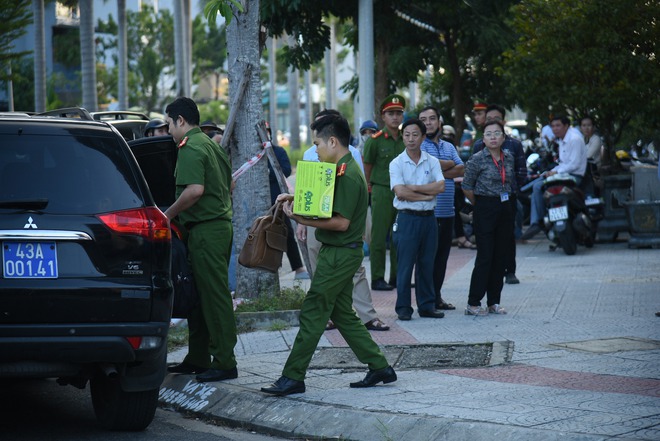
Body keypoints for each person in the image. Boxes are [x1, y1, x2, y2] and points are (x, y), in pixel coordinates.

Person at [262, 113, 396, 396]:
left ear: (333, 141)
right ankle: (380, 366)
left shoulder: (348, 174)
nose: (316, 151)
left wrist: (300, 218)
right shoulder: (340, 168)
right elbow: (323, 203)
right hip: (338, 253)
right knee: (343, 314)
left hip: (339, 253)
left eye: (318, 144)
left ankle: (293, 377)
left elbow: (341, 222)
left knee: (313, 311)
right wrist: (293, 198)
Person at [163, 97, 237, 383]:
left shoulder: (190, 147)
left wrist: (166, 215)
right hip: (211, 228)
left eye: (169, 124)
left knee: (215, 297)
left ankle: (225, 361)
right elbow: (229, 183)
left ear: (181, 120)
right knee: (199, 297)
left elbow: (194, 190)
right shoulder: (209, 144)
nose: (168, 131)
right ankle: (198, 357)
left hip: (207, 230)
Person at [300, 109, 389, 332]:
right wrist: (301, 221)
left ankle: (367, 315)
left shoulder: (351, 154)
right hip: (316, 219)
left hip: (344, 219)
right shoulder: (310, 153)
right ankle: (328, 315)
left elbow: (356, 186)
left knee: (356, 268)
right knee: (318, 265)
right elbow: (306, 191)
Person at [389, 118, 446, 321]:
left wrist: (414, 188)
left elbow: (440, 187)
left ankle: (426, 306)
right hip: (407, 219)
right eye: (407, 135)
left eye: (415, 135)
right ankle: (403, 307)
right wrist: (426, 195)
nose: (411, 139)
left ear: (423, 137)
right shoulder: (396, 163)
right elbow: (401, 193)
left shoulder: (432, 161)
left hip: (429, 220)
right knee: (405, 265)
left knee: (426, 264)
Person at [462, 120, 516, 316]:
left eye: (497, 133)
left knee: (501, 256)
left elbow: (510, 182)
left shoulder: (508, 157)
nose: (493, 137)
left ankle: (494, 301)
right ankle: (473, 302)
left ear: (503, 137)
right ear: (483, 139)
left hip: (505, 206)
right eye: (488, 134)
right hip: (484, 207)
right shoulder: (477, 159)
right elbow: (466, 186)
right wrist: (480, 204)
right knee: (485, 256)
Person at [472, 104, 527, 285]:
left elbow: (521, 173)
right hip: (486, 201)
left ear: (503, 122)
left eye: (496, 120)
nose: (492, 124)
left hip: (507, 198)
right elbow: (470, 178)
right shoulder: (479, 146)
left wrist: (513, 194)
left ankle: (510, 271)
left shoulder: (514, 145)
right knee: (486, 242)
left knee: (507, 237)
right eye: (489, 120)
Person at [419, 106, 463, 310]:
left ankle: (436, 297)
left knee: (442, 258)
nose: (428, 123)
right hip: (428, 212)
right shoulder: (418, 146)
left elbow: (461, 169)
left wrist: (437, 167)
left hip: (448, 212)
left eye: (432, 119)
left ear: (439, 122)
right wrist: (447, 168)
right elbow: (425, 171)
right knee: (427, 259)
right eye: (424, 119)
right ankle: (425, 301)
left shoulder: (449, 145)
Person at [363, 94, 406, 291]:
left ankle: (398, 277)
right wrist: (370, 188)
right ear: (383, 116)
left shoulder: (407, 138)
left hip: (404, 192)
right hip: (381, 191)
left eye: (398, 113)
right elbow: (367, 167)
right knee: (379, 237)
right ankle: (378, 278)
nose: (395, 117)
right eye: (391, 113)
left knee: (400, 236)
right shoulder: (375, 140)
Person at [521, 115, 587, 240]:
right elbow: (563, 163)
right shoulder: (561, 140)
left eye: (558, 126)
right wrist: (551, 171)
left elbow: (574, 164)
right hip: (563, 174)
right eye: (553, 126)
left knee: (538, 186)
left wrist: (555, 173)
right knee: (536, 184)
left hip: (574, 176)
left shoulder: (574, 139)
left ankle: (537, 221)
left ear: (566, 126)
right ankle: (539, 221)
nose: (555, 129)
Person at [267, 129, 309, 280]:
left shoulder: (278, 151)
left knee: (287, 234)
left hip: (279, 201)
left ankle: (298, 267)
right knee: (262, 236)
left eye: (267, 132)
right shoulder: (252, 154)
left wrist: (268, 172)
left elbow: (286, 170)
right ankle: (270, 270)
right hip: (260, 205)